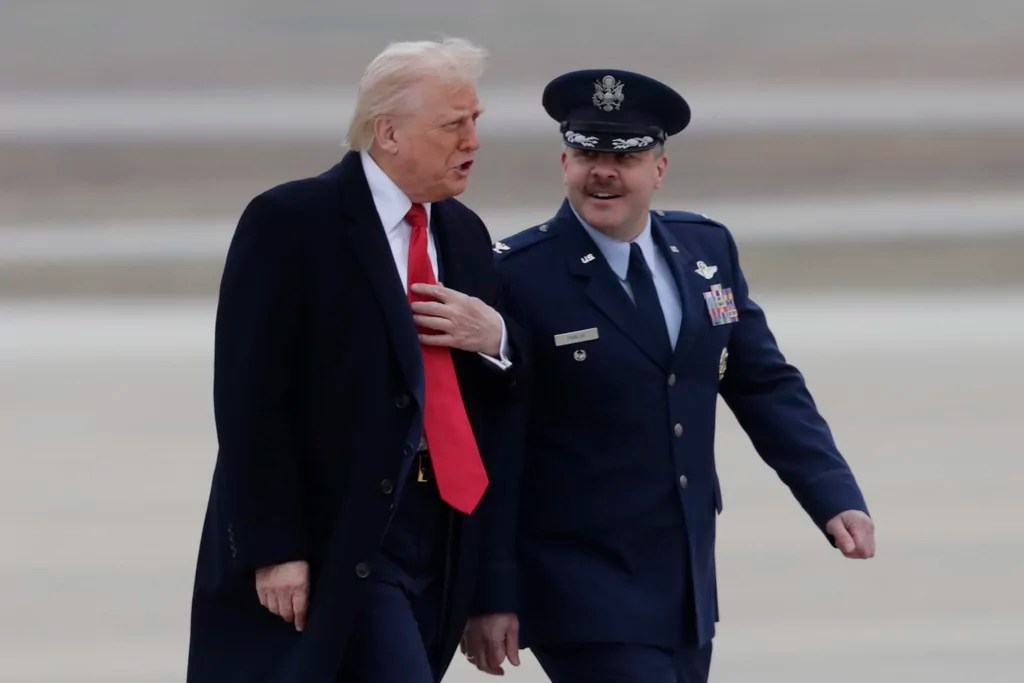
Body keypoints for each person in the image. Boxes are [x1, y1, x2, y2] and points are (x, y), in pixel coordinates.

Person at [462, 69, 876, 683]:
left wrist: (831, 492)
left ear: (658, 169)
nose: (602, 172)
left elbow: (764, 384)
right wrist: (490, 591)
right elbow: (492, 440)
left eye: (622, 157)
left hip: (682, 578)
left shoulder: (705, 252)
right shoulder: (518, 275)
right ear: (563, 162)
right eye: (586, 155)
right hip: (576, 580)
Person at [186, 38, 521, 683]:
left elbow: (499, 409)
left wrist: (499, 338)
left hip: (442, 530)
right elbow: (249, 399)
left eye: (477, 121)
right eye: (454, 124)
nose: (473, 141)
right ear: (388, 132)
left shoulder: (465, 233)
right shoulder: (290, 222)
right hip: (341, 530)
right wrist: (275, 547)